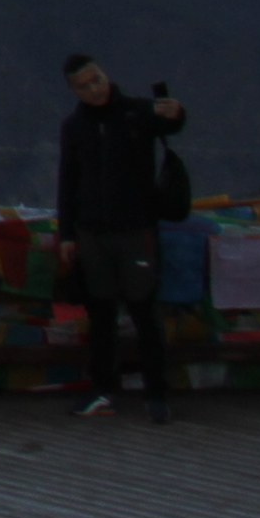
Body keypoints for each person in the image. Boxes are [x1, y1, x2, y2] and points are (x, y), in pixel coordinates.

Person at [51, 57, 192, 426]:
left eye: (96, 79)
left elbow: (171, 123)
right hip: (91, 232)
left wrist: (177, 114)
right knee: (100, 316)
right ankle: (102, 389)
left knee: (145, 312)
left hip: (136, 230)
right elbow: (67, 182)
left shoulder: (136, 113)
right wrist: (66, 233)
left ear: (106, 75)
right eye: (84, 85)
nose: (94, 88)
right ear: (74, 90)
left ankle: (157, 393)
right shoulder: (74, 127)